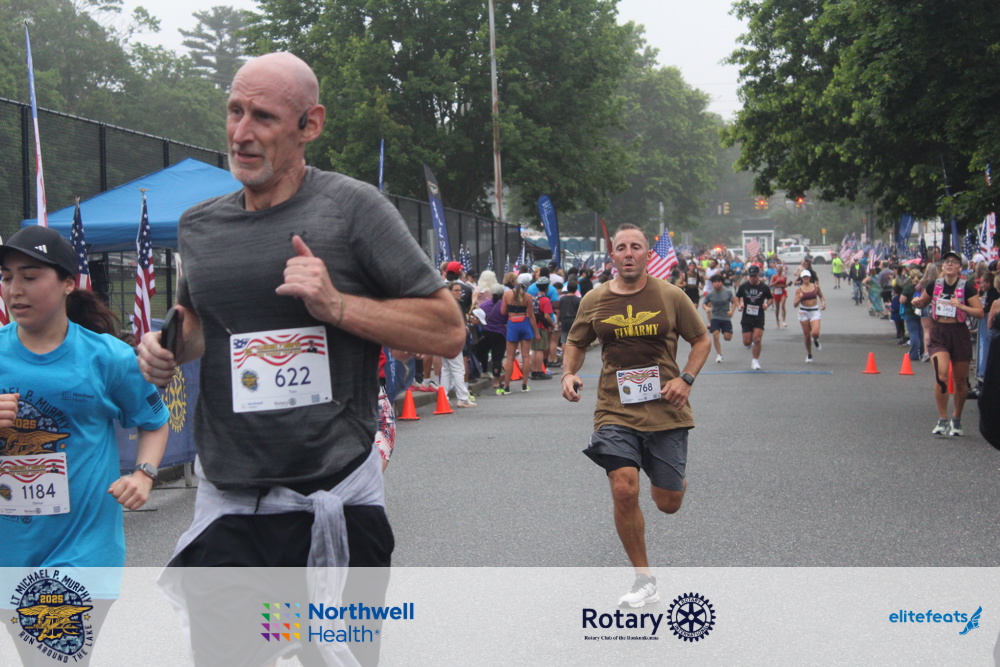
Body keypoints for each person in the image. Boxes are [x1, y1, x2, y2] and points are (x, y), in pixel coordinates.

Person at [136, 52, 465, 667]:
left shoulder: (353, 208)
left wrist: (336, 305)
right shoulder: (199, 226)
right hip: (232, 503)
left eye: (262, 116)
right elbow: (201, 324)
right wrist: (165, 348)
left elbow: (447, 330)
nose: (241, 132)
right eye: (234, 111)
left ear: (309, 125)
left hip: (334, 498)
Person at [0, 226, 169, 666]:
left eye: (30, 276)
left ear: (68, 283)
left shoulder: (107, 356)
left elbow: (155, 421)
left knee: (51, 659)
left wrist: (144, 474)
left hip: (82, 548)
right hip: (10, 551)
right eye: (6, 277)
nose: (14, 289)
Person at [561, 224, 710, 608]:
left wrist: (686, 379)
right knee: (624, 487)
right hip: (615, 409)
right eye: (621, 248)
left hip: (665, 409)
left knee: (668, 501)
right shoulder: (594, 299)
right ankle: (644, 578)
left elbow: (701, 339)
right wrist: (568, 373)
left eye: (636, 247)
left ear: (647, 254)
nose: (628, 253)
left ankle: (670, 477)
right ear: (612, 255)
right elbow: (576, 341)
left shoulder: (670, 295)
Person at [911, 251, 984, 436]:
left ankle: (956, 419)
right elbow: (923, 303)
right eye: (947, 261)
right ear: (942, 266)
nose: (950, 264)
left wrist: (961, 306)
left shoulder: (966, 287)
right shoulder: (934, 285)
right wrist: (917, 302)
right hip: (939, 333)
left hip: (959, 333)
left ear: (960, 267)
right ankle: (942, 419)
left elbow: (979, 312)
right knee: (941, 376)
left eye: (954, 262)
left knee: (960, 382)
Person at [498, 273, 538, 394]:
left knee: (510, 357)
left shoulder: (507, 294)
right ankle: (524, 385)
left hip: (512, 323)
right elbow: (531, 315)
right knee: (526, 356)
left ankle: (506, 386)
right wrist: (536, 332)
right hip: (524, 323)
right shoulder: (528, 297)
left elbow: (503, 311)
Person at [442, 281, 477, 407]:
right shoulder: (451, 306)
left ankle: (443, 397)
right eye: (456, 290)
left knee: (446, 369)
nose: (460, 293)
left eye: (460, 290)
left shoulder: (451, 304)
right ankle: (462, 398)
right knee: (458, 369)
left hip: (446, 339)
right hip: (452, 340)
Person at [735, 265, 773, 370]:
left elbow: (770, 298)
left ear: (758, 275)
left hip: (759, 316)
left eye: (754, 276)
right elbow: (737, 297)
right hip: (747, 316)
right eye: (751, 276)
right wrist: (739, 305)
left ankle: (755, 360)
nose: (753, 278)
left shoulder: (764, 287)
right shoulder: (744, 286)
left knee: (757, 339)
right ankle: (749, 342)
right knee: (746, 342)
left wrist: (767, 304)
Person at [702, 274, 738, 363]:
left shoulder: (728, 292)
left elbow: (734, 302)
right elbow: (704, 303)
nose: (717, 283)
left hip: (725, 317)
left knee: (727, 337)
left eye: (719, 282)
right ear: (712, 283)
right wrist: (706, 308)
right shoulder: (710, 294)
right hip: (715, 317)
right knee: (715, 334)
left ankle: (725, 333)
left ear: (722, 282)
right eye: (715, 282)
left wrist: (732, 311)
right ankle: (719, 354)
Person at [792, 269, 826, 362]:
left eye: (807, 276)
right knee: (807, 335)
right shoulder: (799, 290)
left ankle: (815, 340)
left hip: (814, 311)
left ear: (810, 277)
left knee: (815, 333)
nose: (806, 278)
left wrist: (823, 303)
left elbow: (821, 296)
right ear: (802, 278)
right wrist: (800, 298)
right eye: (804, 277)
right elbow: (794, 305)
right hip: (804, 312)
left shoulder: (815, 286)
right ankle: (809, 354)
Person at [769, 263, 789, 328]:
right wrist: (776, 281)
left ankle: (784, 321)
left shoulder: (784, 277)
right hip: (776, 291)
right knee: (777, 307)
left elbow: (785, 285)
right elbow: (770, 284)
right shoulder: (774, 276)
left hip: (782, 291)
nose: (779, 271)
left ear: (782, 270)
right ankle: (777, 319)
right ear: (776, 270)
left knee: (782, 305)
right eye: (778, 269)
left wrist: (787, 285)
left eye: (780, 269)